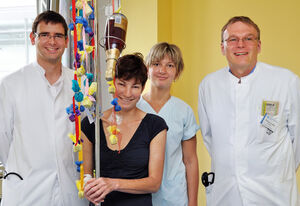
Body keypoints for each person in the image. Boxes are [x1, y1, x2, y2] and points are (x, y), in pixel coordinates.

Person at [198, 16, 300, 205]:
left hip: (274, 193)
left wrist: (278, 172)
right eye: (233, 39)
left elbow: (298, 140)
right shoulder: (208, 86)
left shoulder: (286, 81)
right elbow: (210, 137)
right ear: (222, 47)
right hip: (226, 192)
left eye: (248, 38)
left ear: (259, 46)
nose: (240, 44)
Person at [0, 11, 87, 205]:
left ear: (66, 41)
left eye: (58, 36)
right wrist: (23, 168)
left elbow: (85, 134)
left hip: (69, 188)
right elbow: (2, 137)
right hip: (26, 190)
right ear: (33, 38)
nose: (52, 42)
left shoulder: (79, 83)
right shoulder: (11, 84)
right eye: (45, 35)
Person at [81, 53, 168, 206]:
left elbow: (154, 183)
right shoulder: (91, 125)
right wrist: (88, 186)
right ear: (112, 83)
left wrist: (114, 184)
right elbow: (86, 174)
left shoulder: (155, 126)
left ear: (141, 89)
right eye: (122, 84)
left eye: (135, 86)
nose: (128, 93)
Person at [137, 42, 199, 206]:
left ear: (177, 72)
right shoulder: (133, 107)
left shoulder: (184, 111)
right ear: (147, 69)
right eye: (156, 64)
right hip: (138, 196)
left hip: (174, 198)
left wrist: (193, 203)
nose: (162, 70)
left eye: (169, 65)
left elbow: (190, 161)